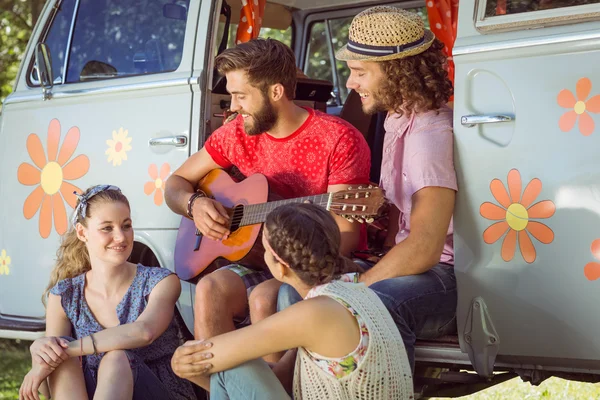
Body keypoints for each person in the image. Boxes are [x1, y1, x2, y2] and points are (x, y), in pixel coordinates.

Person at [278, 6, 458, 371]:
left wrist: (358, 284)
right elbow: (403, 226)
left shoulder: (429, 137)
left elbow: (424, 248)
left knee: (372, 302)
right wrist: (377, 214)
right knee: (290, 290)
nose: (349, 83)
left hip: (443, 276)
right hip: (411, 264)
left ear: (396, 73)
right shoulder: (398, 118)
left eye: (360, 72)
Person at [164, 38, 371, 349]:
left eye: (240, 96)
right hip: (260, 260)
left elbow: (347, 234)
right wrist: (194, 204)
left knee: (264, 298)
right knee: (209, 289)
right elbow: (175, 183)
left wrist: (284, 257)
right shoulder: (235, 134)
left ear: (276, 92)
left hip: (312, 261)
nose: (233, 107)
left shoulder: (339, 139)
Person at [171, 203, 413, 400]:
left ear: (281, 266)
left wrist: (179, 362)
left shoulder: (315, 313)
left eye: (264, 249)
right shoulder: (355, 290)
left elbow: (204, 361)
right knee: (231, 361)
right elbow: (281, 377)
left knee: (230, 365)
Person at [19, 185, 195, 400]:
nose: (121, 237)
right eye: (107, 228)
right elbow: (49, 377)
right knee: (59, 357)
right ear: (82, 232)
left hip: (157, 391)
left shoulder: (160, 281)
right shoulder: (64, 295)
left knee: (115, 359)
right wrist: (41, 350)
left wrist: (65, 350)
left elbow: (143, 331)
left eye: (126, 225)